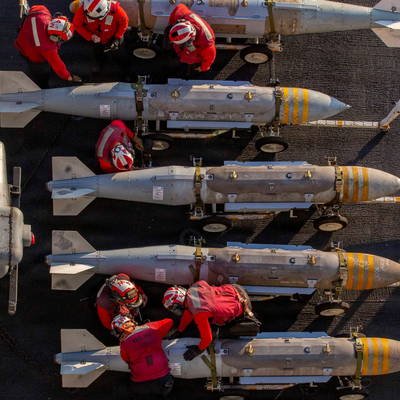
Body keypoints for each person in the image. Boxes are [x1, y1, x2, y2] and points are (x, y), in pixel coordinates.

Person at [162, 280, 261, 361]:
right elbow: (189, 311)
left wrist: (198, 350)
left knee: (223, 330)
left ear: (178, 302)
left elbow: (207, 339)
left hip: (242, 308)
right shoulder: (195, 286)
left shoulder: (199, 313)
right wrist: (180, 330)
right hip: (237, 290)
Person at [15, 6, 81, 89]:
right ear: (54, 38)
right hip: (33, 57)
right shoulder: (49, 48)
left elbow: (34, 8)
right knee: (41, 73)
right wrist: (69, 77)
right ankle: (41, 87)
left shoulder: (41, 12)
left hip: (22, 42)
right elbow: (58, 66)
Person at [112, 315, 174, 397]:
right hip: (162, 380)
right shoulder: (151, 327)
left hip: (141, 383)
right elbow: (169, 321)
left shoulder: (123, 343)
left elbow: (126, 359)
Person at [73, 0, 130, 77]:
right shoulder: (84, 9)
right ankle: (100, 62)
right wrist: (90, 36)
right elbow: (77, 25)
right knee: (98, 53)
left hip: (113, 38)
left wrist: (117, 38)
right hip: (95, 39)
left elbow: (124, 22)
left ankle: (125, 70)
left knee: (120, 54)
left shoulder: (116, 10)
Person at [167, 4, 216, 73]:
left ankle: (191, 60)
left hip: (198, 45)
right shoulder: (182, 15)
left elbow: (209, 58)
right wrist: (171, 22)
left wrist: (203, 68)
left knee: (192, 57)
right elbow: (179, 6)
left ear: (189, 41)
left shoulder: (207, 44)